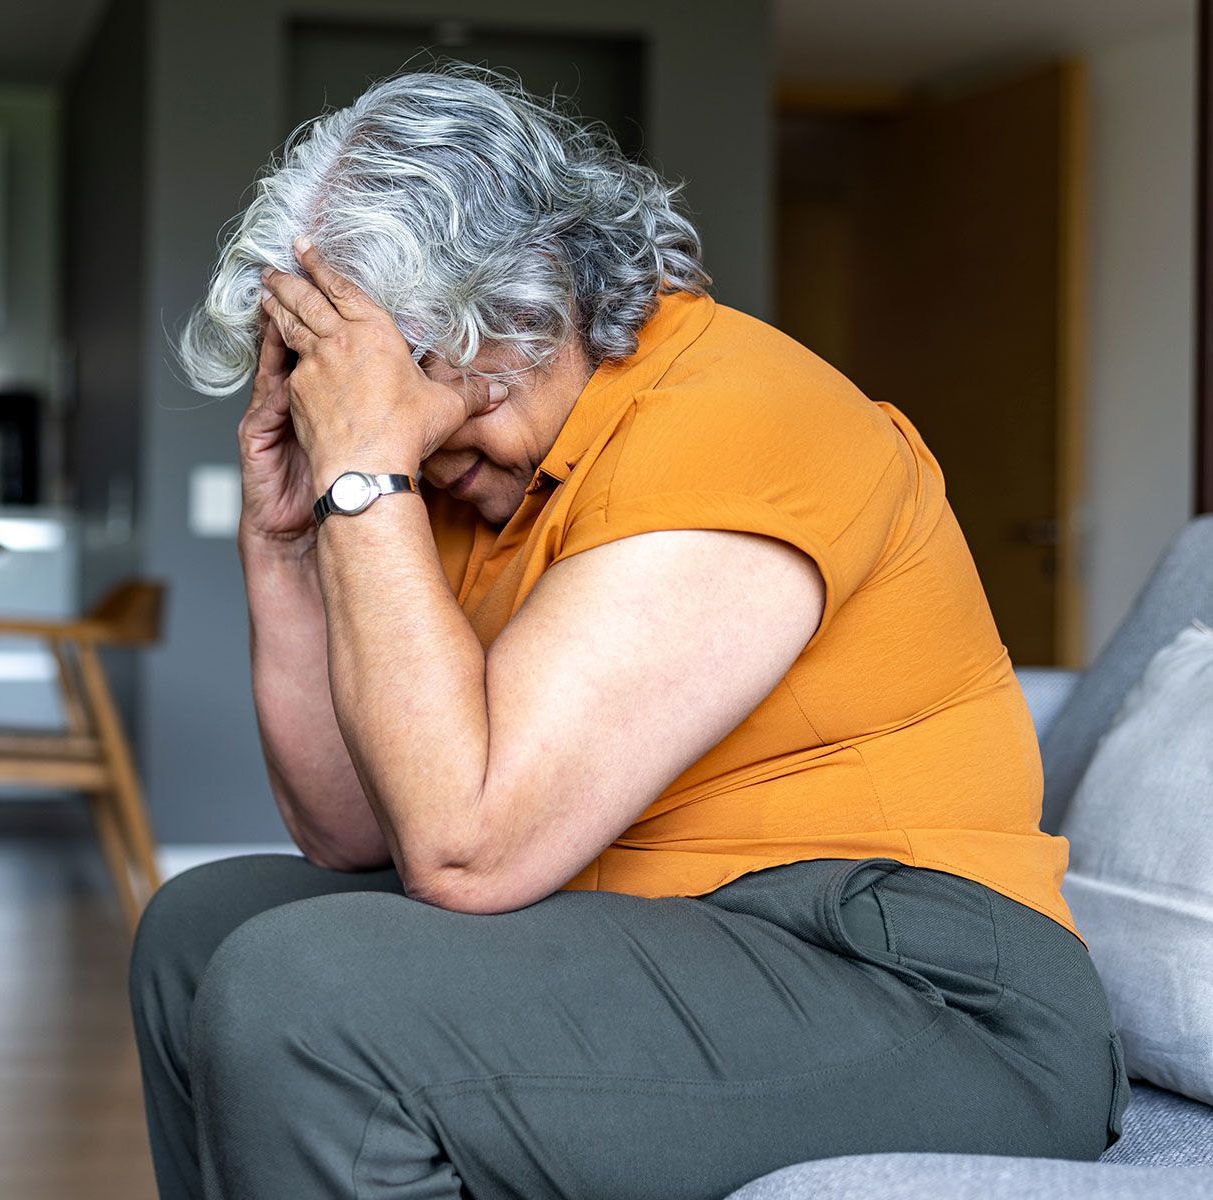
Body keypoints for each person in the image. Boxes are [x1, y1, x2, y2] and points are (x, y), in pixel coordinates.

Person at [134, 67, 1127, 1200]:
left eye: (427, 392)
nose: (423, 444)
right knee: (200, 929)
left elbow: (467, 852)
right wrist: (291, 535)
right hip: (668, 936)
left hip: (920, 989)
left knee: (304, 990)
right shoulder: (457, 483)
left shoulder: (740, 417)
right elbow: (354, 829)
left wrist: (367, 469)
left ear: (530, 305)